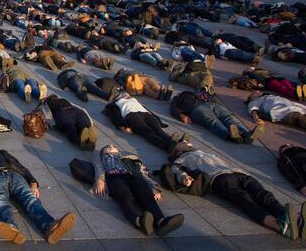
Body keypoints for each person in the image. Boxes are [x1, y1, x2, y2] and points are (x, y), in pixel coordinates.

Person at [164, 142, 301, 239]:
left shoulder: (202, 152)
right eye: (182, 143)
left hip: (239, 173)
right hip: (218, 178)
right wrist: (184, 178)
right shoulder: (182, 159)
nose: (186, 142)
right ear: (178, 151)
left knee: (263, 194)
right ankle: (279, 225)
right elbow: (176, 170)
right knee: (243, 198)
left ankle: (289, 218)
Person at [0, 148, 76, 244]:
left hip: (15, 175)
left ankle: (50, 226)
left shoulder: (3, 153)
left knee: (31, 199)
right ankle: (10, 227)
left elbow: (21, 167)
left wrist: (32, 182)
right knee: (0, 201)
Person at [92, 144, 184, 235]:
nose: (111, 145)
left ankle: (161, 221)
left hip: (134, 176)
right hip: (115, 177)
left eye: (113, 146)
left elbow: (144, 174)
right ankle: (139, 221)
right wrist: (100, 179)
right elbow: (97, 165)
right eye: (108, 147)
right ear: (103, 152)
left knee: (146, 195)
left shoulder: (130, 159)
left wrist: (155, 187)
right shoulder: (101, 158)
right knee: (126, 196)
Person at [170, 88, 261, 143]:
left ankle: (245, 134)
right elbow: (173, 107)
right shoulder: (179, 97)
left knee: (228, 117)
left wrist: (210, 98)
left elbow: (211, 96)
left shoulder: (200, 93)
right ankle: (229, 135)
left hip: (212, 105)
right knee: (213, 121)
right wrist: (181, 115)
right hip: (196, 108)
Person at [103, 92, 182, 152]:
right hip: (131, 115)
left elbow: (147, 109)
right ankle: (167, 147)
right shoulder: (115, 104)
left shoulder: (133, 99)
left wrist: (160, 123)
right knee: (148, 132)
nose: (126, 95)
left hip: (146, 113)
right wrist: (122, 126)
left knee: (159, 131)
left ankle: (174, 143)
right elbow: (114, 115)